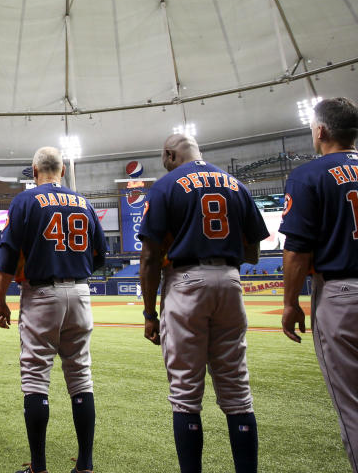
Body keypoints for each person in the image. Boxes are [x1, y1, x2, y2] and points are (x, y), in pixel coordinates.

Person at [279, 97, 358, 473]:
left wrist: (290, 302)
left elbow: (298, 251)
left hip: (345, 297)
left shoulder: (308, 175)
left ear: (321, 130)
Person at [138, 134, 268, 473]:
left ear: (169, 153)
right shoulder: (235, 184)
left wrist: (150, 313)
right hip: (229, 280)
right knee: (237, 390)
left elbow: (150, 258)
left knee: (185, 393)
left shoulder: (166, 186)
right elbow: (253, 252)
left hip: (186, 282)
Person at [0, 147, 106, 473]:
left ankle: (39, 468)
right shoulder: (84, 203)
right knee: (81, 377)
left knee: (35, 380)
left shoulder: (25, 201)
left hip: (41, 294)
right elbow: (100, 255)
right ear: (63, 172)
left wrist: (0, 299)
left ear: (34, 170)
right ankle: (85, 465)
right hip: (81, 292)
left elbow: (8, 255)